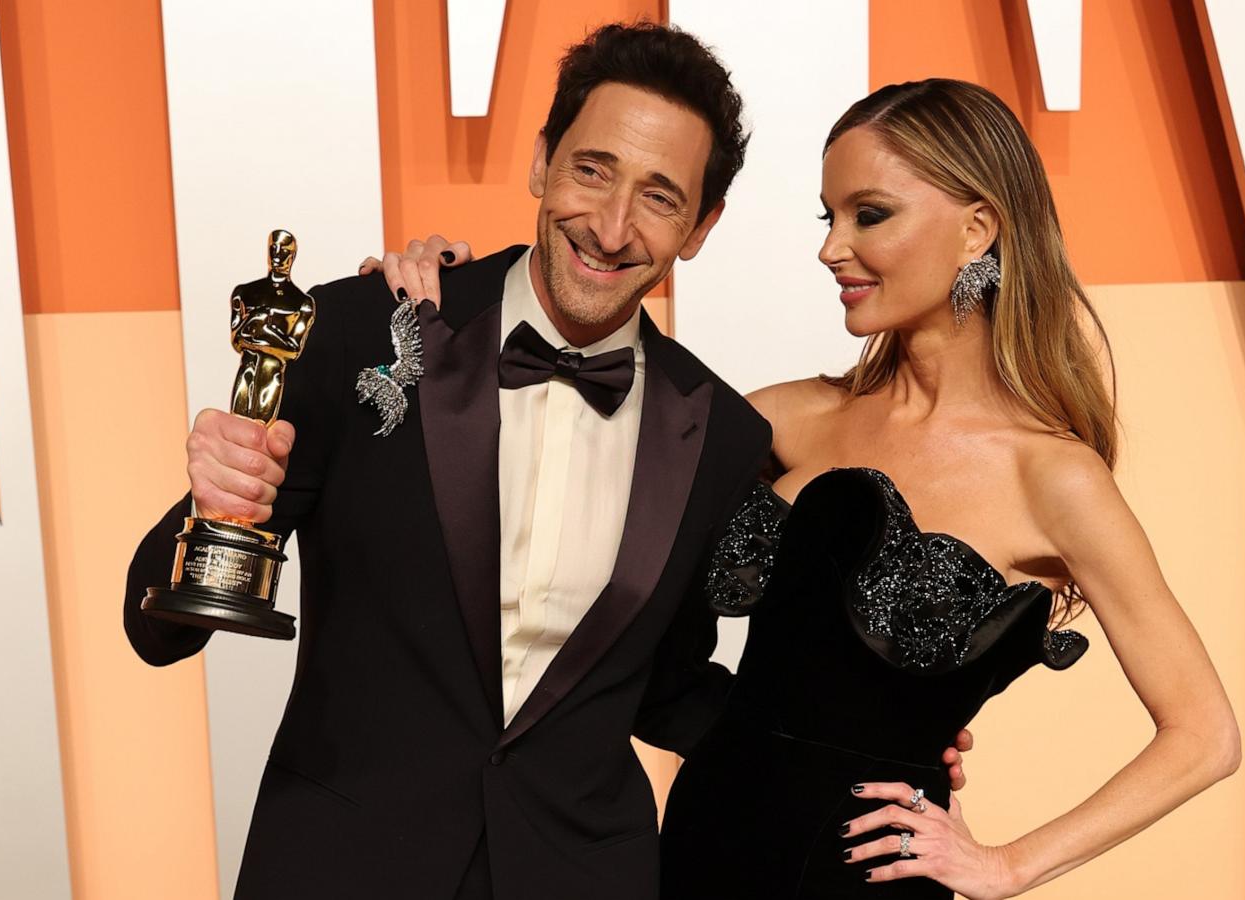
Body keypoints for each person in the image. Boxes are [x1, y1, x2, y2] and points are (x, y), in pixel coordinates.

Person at [124, 23, 974, 900]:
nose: (610, 228)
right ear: (541, 161)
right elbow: (158, 629)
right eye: (592, 170)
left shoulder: (721, 435)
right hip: (339, 867)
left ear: (701, 226)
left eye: (659, 196)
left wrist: (878, 735)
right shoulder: (365, 330)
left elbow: (669, 689)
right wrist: (213, 504)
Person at [370, 78, 1241, 899]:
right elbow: (551, 471)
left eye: (870, 215)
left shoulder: (1052, 476)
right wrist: (451, 299)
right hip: (694, 856)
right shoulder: (779, 419)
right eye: (829, 216)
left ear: (978, 228)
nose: (831, 248)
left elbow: (1205, 736)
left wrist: (1007, 864)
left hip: (860, 880)